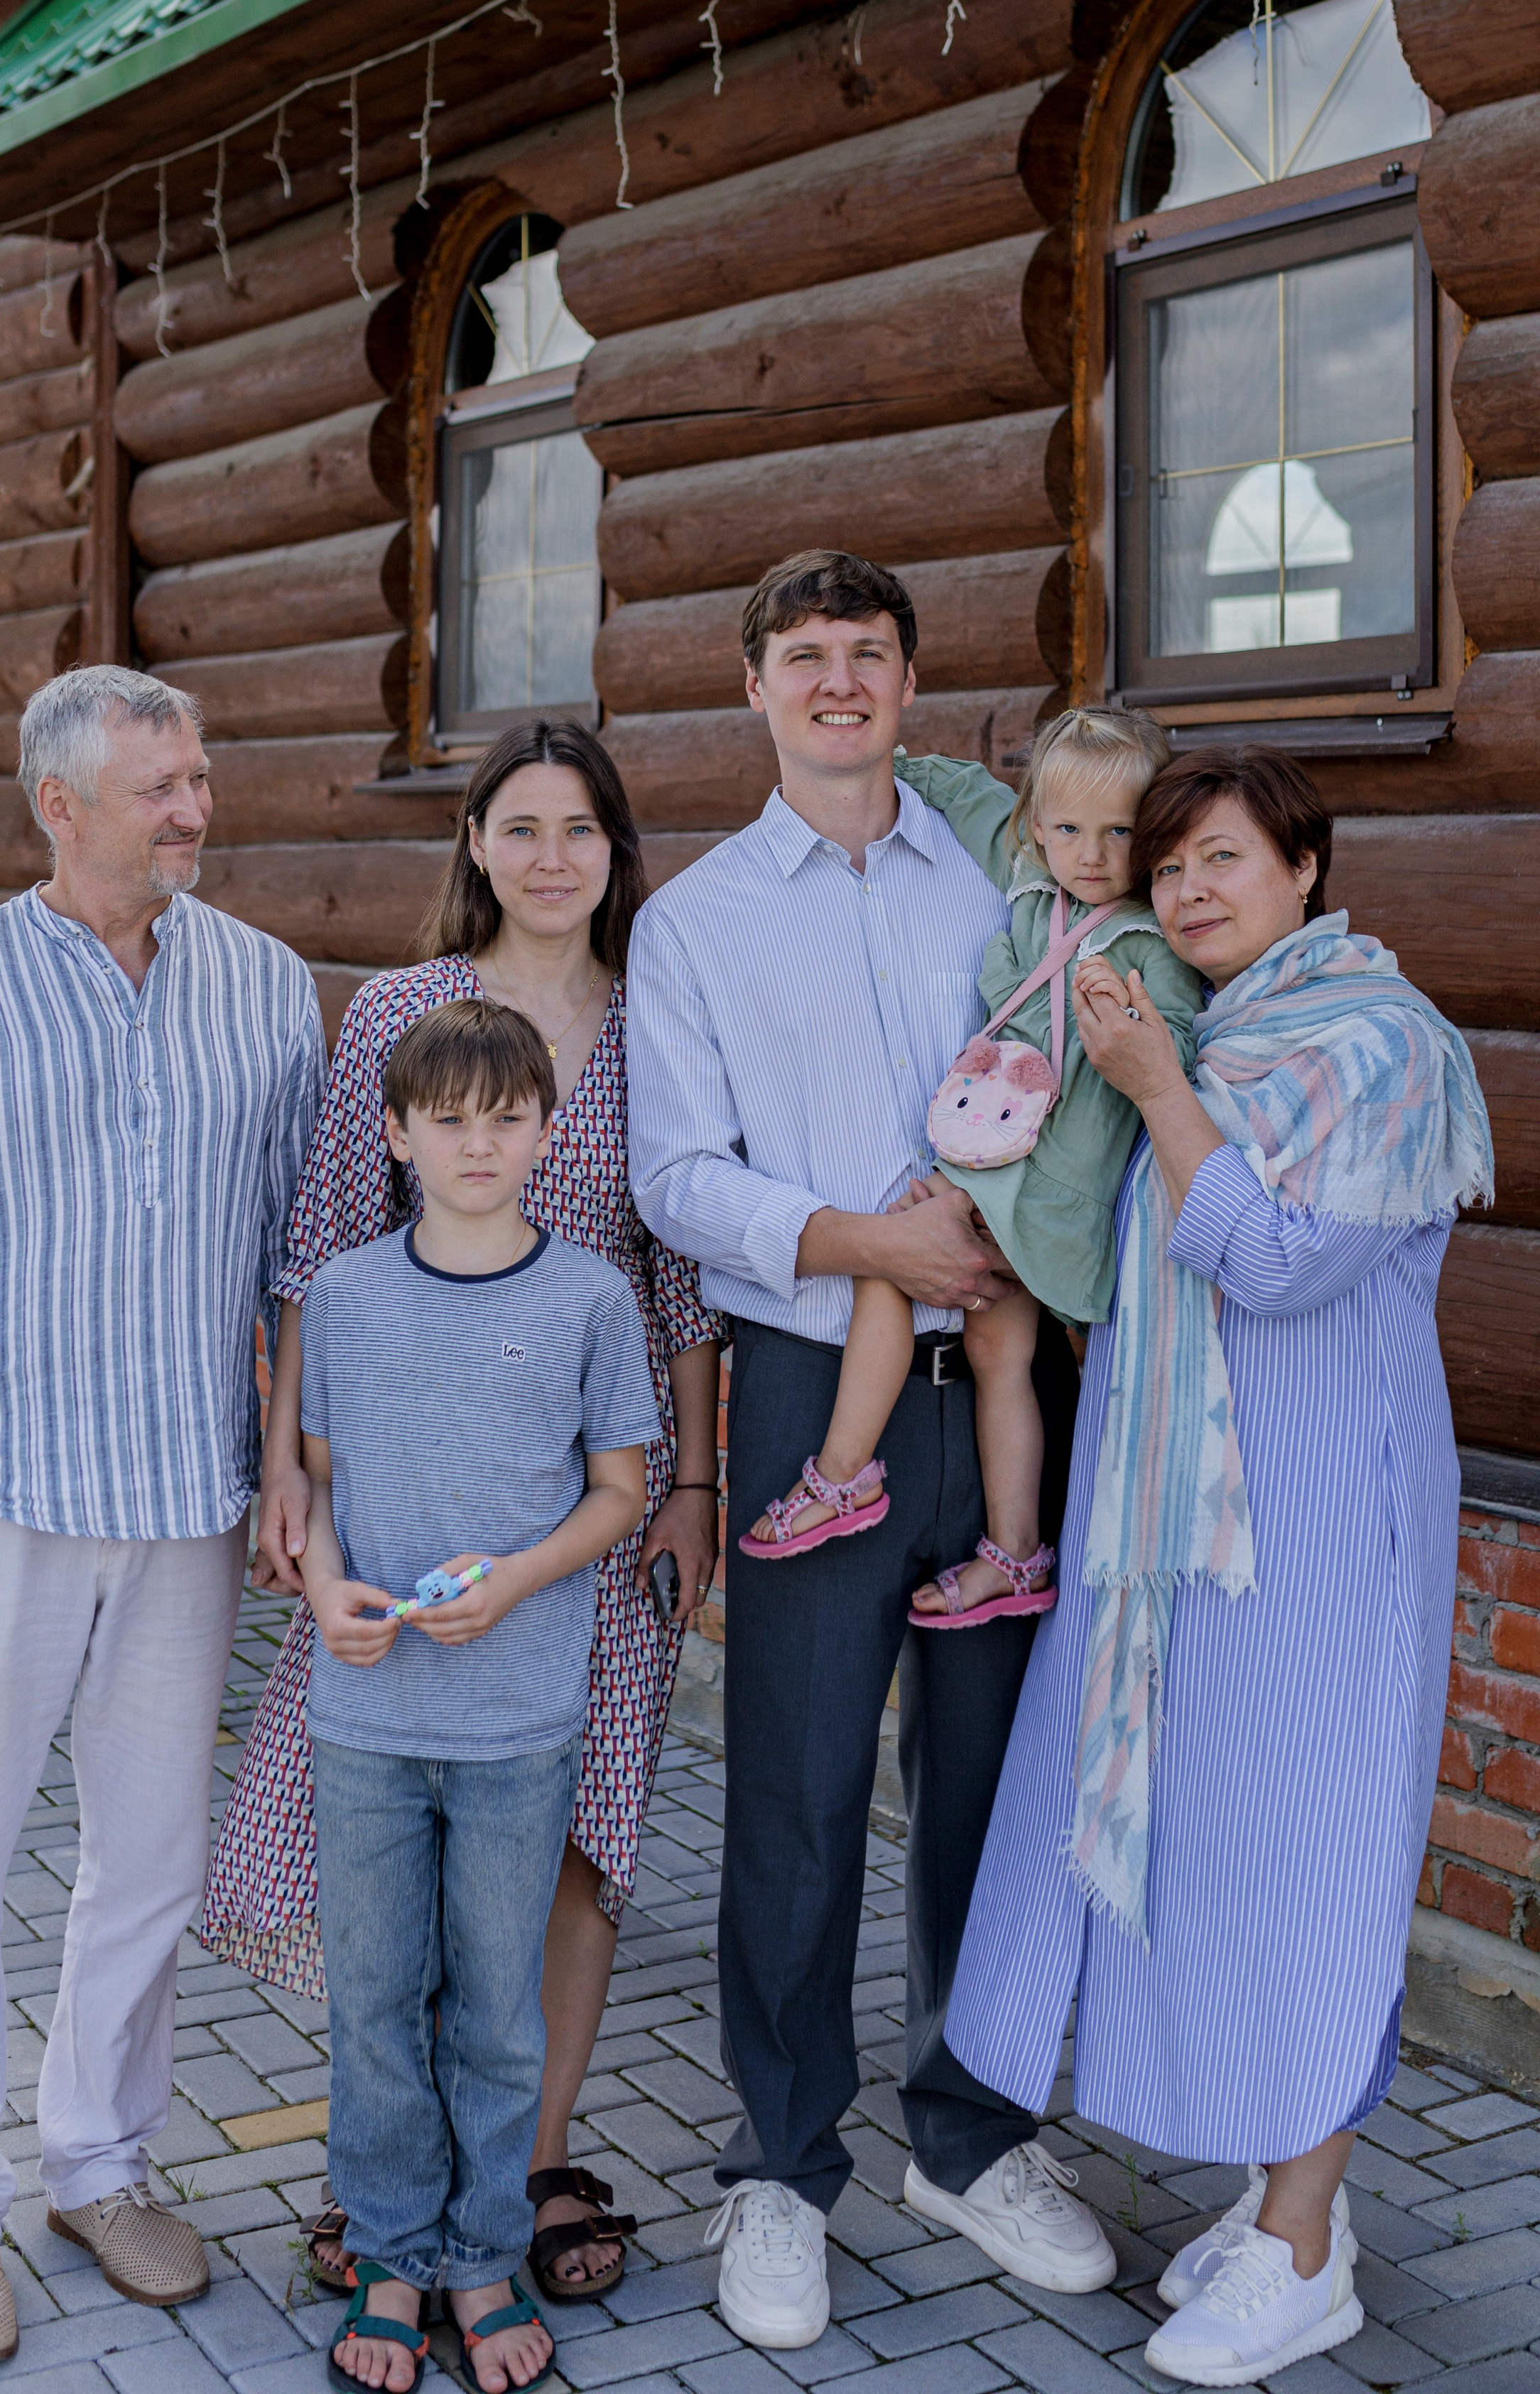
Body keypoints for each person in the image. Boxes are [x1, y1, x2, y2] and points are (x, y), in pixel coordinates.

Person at [0, 668, 325, 2368]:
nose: (194, 809)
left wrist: (291, 1467)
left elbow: (295, 1261)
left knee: (148, 1865)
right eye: (160, 787)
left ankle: (99, 2162)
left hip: (185, 1502)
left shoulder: (266, 985)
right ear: (60, 805)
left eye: (199, 777)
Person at [945, 746, 1492, 2388]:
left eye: (1222, 859)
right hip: (1196, 1525)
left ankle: (1305, 2247)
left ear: (1305, 869)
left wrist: (1153, 1095)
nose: (1185, 891)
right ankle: (1275, 2197)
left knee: (1313, 1855)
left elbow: (1269, 1263)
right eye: (1166, 864)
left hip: (1317, 1524)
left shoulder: (1371, 1043)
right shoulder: (1216, 1028)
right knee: (1229, 1850)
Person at [627, 550, 1115, 2354]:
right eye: (805, 655)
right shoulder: (694, 922)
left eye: (868, 654)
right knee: (798, 1792)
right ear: (752, 686)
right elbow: (677, 1179)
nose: (838, 681)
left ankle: (969, 2138)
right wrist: (868, 1244)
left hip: (1003, 1390)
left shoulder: (999, 873)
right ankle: (778, 2163)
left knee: (985, 1788)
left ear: (909, 684)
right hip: (807, 1385)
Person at [202, 717, 722, 2304]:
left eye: (581, 829)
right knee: (398, 1844)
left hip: (595, 1504)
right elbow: (318, 1254)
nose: (553, 857)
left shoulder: (658, 1017)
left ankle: (526, 2165)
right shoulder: (402, 1013)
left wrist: (694, 1484)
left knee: (570, 1844)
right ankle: (393, 2178)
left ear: (615, 851)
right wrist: (287, 1469)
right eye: (522, 827)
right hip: (414, 1488)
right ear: (477, 845)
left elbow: (682, 1278)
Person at [298, 999, 656, 2394]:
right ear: (395, 1134)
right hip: (368, 1723)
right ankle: (392, 2253)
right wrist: (325, 1587)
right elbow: (318, 1487)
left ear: (547, 1132)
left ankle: (483, 2254)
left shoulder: (590, 1299)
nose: (477, 1144)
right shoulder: (344, 1297)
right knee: (378, 2002)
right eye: (446, 1119)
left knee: (499, 2011)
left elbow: (617, 1492)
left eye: (507, 1117)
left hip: (516, 1722)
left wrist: (512, 1582)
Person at [741, 708, 1201, 1628]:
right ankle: (1017, 1553)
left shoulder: (1151, 947)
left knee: (890, 1263)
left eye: (1121, 832)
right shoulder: (1031, 875)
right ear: (1038, 825)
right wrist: (884, 763)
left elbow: (1178, 1043)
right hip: (1001, 1168)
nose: (1092, 854)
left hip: (1039, 1191)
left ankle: (842, 1474)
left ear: (1154, 832)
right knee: (1001, 1356)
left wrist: (1133, 1024)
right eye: (1069, 828)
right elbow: (967, 792)